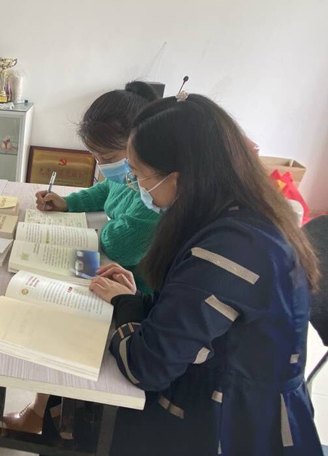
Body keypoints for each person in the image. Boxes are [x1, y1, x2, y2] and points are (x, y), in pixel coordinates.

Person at [67, 93, 322, 455]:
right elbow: (188, 310)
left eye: (138, 175)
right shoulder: (235, 214)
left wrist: (127, 309)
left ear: (177, 178)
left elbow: (146, 367)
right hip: (224, 386)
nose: (136, 185)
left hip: (233, 424)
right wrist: (135, 300)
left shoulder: (230, 249)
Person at [4, 81, 161, 433]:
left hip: (133, 291)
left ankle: (48, 412)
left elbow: (121, 245)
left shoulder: (152, 190)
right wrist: (69, 203)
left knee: (57, 309)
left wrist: (97, 230)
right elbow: (106, 189)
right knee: (41, 287)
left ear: (137, 145)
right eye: (96, 157)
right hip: (111, 268)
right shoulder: (130, 175)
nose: (101, 166)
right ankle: (48, 408)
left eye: (107, 158)